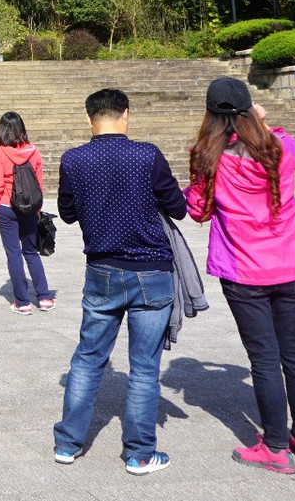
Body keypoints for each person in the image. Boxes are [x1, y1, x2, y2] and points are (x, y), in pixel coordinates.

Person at [187, 77, 295, 475]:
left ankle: (276, 447)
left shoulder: (207, 156)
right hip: (293, 265)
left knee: (264, 359)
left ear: (211, 113)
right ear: (249, 109)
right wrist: (266, 123)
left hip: (244, 272)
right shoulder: (279, 148)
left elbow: (198, 210)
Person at [53, 88, 187, 475]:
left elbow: (67, 214)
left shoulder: (73, 159)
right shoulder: (148, 155)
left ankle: (67, 444)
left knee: (88, 358)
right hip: (152, 271)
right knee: (144, 366)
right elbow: (177, 207)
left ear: (88, 118)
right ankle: (140, 454)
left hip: (103, 271)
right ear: (126, 114)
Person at [0, 111, 54, 315]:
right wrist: (38, 210)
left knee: (14, 254)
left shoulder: (0, 152)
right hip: (30, 209)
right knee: (31, 252)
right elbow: (38, 184)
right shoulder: (34, 151)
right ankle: (44, 298)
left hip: (7, 208)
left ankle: (22, 302)